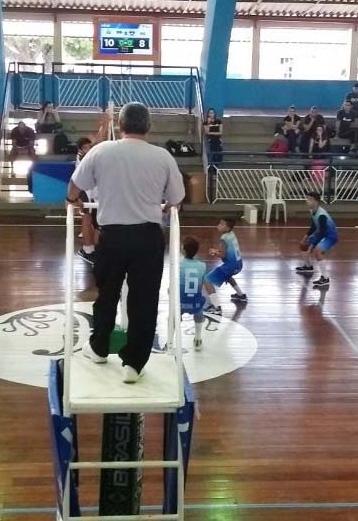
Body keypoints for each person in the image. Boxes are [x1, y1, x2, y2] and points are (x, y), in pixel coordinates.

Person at [67, 102, 186, 384]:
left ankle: (98, 348)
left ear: (120, 125)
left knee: (107, 293)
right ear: (149, 126)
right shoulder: (163, 156)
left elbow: (75, 185)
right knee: (144, 300)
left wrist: (71, 201)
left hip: (112, 236)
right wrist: (167, 206)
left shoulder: (100, 151)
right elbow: (177, 197)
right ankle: (133, 363)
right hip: (147, 237)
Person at [202, 217, 246, 315]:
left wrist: (214, 252)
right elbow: (226, 251)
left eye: (221, 224)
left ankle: (216, 307)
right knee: (227, 275)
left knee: (207, 280)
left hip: (230, 266)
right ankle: (241, 295)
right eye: (219, 223)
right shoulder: (231, 235)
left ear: (227, 228)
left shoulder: (224, 238)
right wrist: (217, 251)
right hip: (238, 264)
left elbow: (222, 254)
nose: (218, 225)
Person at [297, 191, 337, 289]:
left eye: (310, 199)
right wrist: (306, 236)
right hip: (320, 233)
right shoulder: (313, 211)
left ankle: (325, 278)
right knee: (302, 245)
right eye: (307, 199)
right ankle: (308, 266)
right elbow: (314, 226)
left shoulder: (321, 215)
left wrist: (312, 245)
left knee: (317, 251)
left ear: (316, 202)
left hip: (330, 236)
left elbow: (323, 232)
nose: (307, 201)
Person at [74, 137, 100, 263]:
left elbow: (96, 142)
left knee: (96, 224)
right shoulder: (83, 158)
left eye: (90, 147)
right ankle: (87, 249)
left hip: (93, 194)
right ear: (80, 150)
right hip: (86, 193)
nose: (89, 149)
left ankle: (94, 250)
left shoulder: (87, 156)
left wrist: (105, 125)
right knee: (87, 220)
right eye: (86, 148)